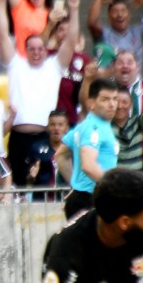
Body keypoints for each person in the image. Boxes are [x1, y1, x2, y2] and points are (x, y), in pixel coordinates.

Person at [0, 0, 78, 187]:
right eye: (31, 48)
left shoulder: (54, 66)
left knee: (45, 186)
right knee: (18, 185)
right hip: (18, 137)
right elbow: (2, 35)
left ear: (45, 50)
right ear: (25, 49)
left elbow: (70, 41)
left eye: (40, 48)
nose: (36, 52)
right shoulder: (16, 64)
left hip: (45, 136)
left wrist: (74, 10)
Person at [57, 79, 119, 219]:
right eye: (105, 99)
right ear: (91, 103)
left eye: (115, 99)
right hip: (91, 199)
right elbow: (89, 165)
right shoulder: (94, 128)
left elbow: (61, 155)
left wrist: (75, 185)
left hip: (85, 197)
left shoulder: (85, 126)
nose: (112, 104)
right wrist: (116, 189)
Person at [108, 65, 143, 171]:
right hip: (113, 180)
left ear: (130, 105)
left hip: (135, 180)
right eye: (117, 101)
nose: (120, 106)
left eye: (124, 102)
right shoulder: (105, 125)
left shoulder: (138, 123)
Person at [25, 110, 70, 201]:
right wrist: (31, 177)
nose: (56, 128)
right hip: (41, 200)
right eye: (52, 124)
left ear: (67, 128)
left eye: (60, 124)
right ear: (47, 127)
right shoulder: (36, 148)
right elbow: (28, 181)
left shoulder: (73, 150)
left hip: (67, 199)